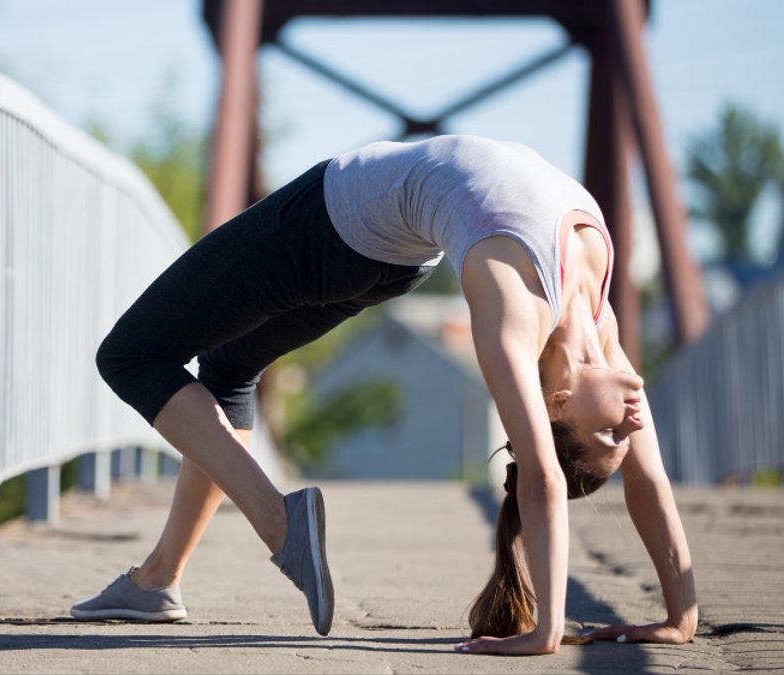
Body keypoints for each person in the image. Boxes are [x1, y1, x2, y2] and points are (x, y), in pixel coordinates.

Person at [73, 134, 698, 655]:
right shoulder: (596, 323)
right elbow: (648, 480)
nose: (632, 424)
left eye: (610, 436)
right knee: (230, 370)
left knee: (129, 355)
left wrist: (545, 630)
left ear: (554, 403)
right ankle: (156, 582)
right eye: (623, 436)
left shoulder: (515, 312)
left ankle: (277, 520)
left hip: (331, 223)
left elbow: (542, 479)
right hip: (388, 259)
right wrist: (680, 616)